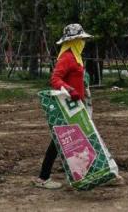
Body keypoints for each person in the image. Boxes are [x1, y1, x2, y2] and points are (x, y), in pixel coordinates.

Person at [33, 23, 92, 189]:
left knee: (78, 138)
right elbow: (55, 79)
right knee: (60, 141)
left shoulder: (76, 57)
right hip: (68, 106)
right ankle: (43, 178)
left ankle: (86, 173)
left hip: (77, 105)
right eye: (80, 39)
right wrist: (69, 89)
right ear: (72, 41)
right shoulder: (67, 57)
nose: (83, 42)